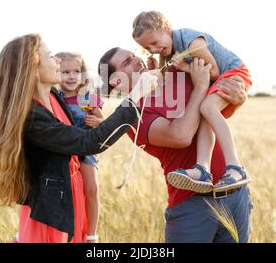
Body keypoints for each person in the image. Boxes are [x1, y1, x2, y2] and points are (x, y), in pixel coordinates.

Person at [0, 34, 157, 243]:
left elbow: (87, 134)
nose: (59, 61)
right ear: (33, 71)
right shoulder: (33, 117)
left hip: (73, 200)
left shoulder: (53, 97)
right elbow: (89, 142)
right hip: (52, 216)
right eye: (51, 57)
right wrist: (134, 96)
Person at [98, 47, 252, 242]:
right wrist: (200, 87)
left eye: (134, 55)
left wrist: (239, 97)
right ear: (116, 82)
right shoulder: (133, 116)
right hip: (191, 204)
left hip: (234, 191)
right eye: (127, 63)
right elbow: (181, 136)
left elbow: (220, 92)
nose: (137, 60)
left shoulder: (177, 73)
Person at [132, 11, 252, 193]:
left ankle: (235, 167)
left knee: (207, 108)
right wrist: (155, 70)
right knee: (206, 114)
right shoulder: (169, 50)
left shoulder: (192, 42)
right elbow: (167, 78)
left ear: (166, 29)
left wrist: (187, 67)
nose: (154, 50)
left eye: (155, 43)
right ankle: (202, 168)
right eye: (148, 49)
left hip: (233, 73)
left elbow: (214, 72)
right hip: (219, 80)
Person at [55, 52, 103, 243]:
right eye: (65, 72)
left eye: (76, 71)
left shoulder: (87, 98)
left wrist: (96, 122)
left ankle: (91, 234)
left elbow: (102, 122)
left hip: (85, 148)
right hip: (62, 150)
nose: (72, 76)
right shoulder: (54, 97)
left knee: (91, 188)